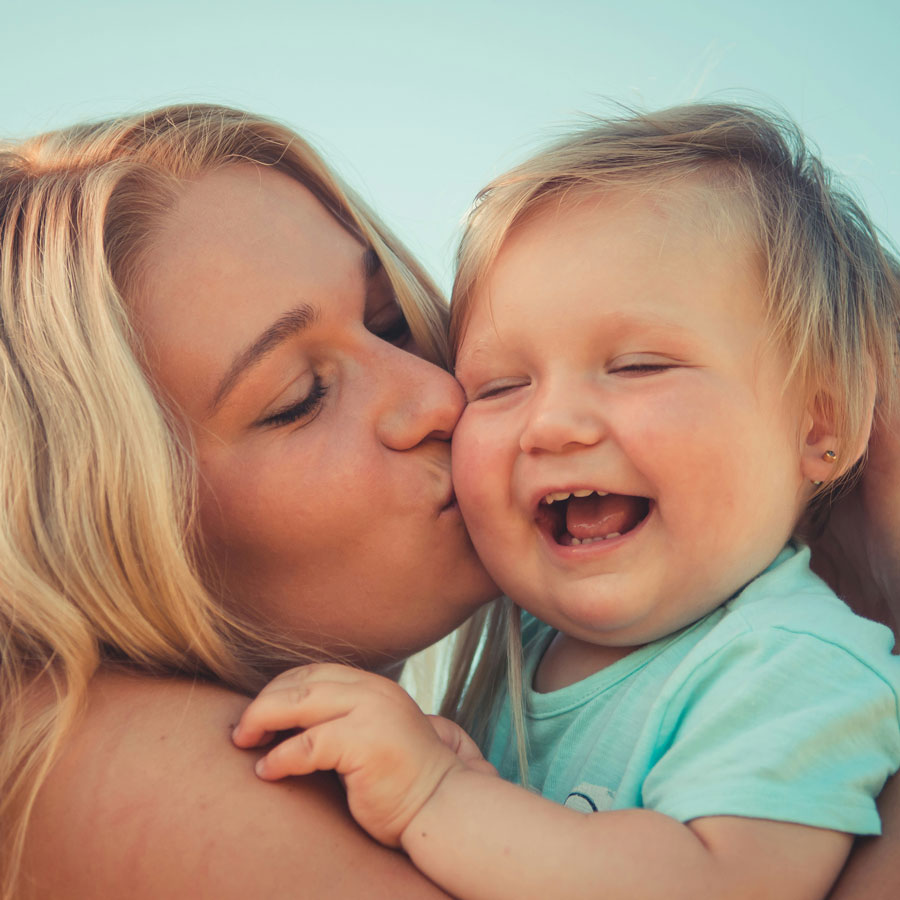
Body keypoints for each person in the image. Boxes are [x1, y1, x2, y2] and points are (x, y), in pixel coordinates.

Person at [234, 104, 900, 900]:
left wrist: (436, 794)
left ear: (820, 424)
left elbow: (722, 885)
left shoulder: (797, 659)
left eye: (640, 366)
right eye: (500, 386)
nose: (548, 424)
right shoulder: (514, 633)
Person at [0, 104, 499, 900]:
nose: (436, 396)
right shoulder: (102, 766)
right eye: (300, 399)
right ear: (105, 532)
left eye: (390, 321)